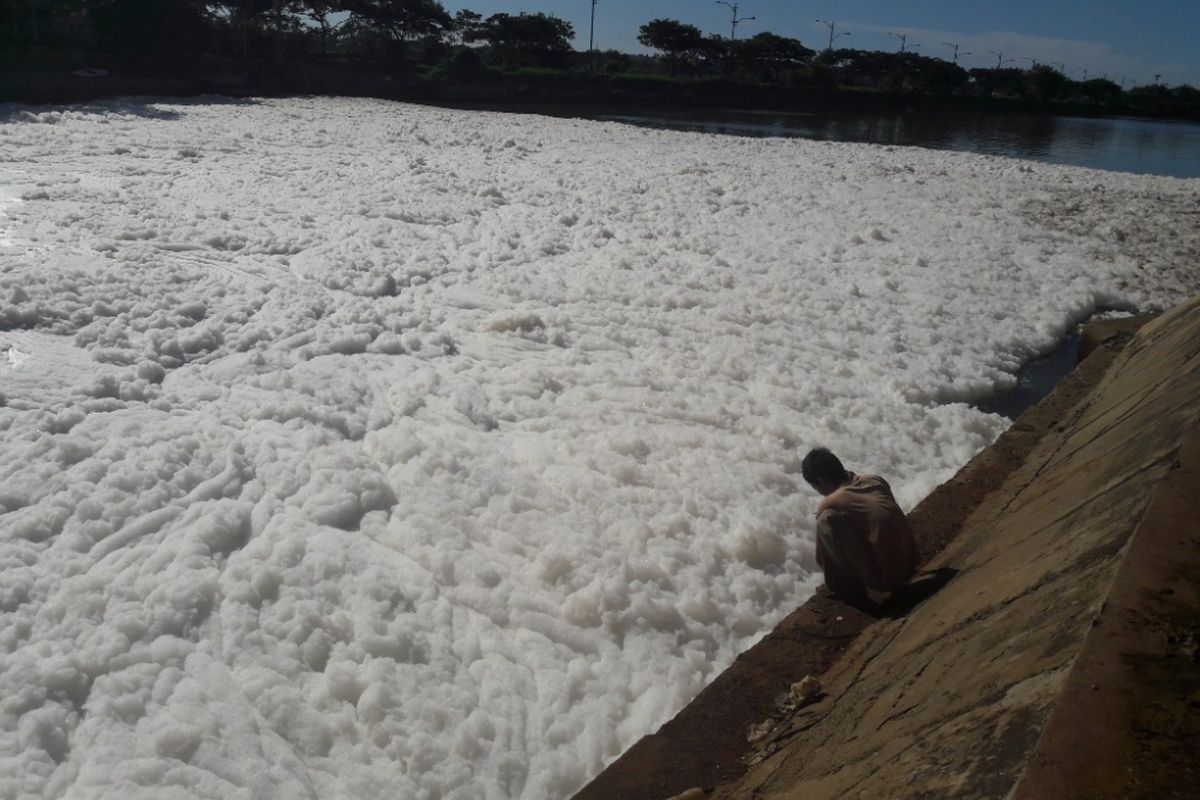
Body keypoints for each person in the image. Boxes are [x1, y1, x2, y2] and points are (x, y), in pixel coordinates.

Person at [800, 447, 918, 603]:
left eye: (816, 487)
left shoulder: (832, 502)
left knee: (826, 520)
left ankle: (842, 587)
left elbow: (823, 517)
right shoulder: (875, 480)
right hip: (912, 564)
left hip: (888, 581)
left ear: (821, 481)